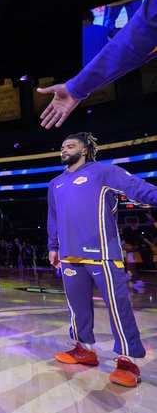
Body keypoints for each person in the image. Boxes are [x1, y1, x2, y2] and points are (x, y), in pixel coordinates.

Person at [47, 132, 157, 387]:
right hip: (69, 256)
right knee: (77, 308)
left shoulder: (104, 172)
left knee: (119, 309)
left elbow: (139, 189)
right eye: (62, 146)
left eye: (70, 145)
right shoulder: (55, 183)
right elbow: (53, 217)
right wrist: (53, 246)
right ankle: (84, 349)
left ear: (84, 150)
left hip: (103, 255)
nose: (64, 149)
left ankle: (128, 360)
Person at [37, 0, 157, 129]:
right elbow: (134, 38)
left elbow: (137, 39)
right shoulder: (101, 30)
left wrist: (77, 87)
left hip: (93, 70)